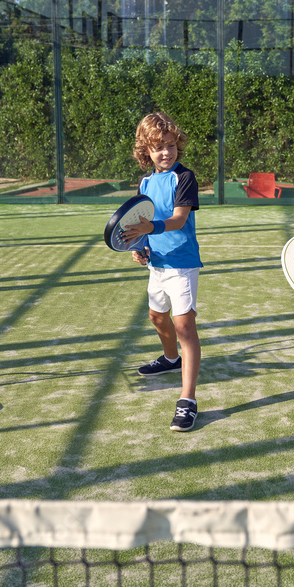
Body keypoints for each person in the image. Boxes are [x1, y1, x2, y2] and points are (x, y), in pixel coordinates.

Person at [122, 112, 203, 432]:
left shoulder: (185, 177)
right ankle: (172, 360)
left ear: (177, 146)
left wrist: (150, 228)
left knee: (185, 328)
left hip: (182, 264)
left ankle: (188, 400)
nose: (165, 152)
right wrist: (139, 246)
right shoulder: (145, 182)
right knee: (157, 317)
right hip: (156, 263)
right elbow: (141, 220)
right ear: (146, 152)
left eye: (170, 145)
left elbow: (179, 219)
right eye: (158, 148)